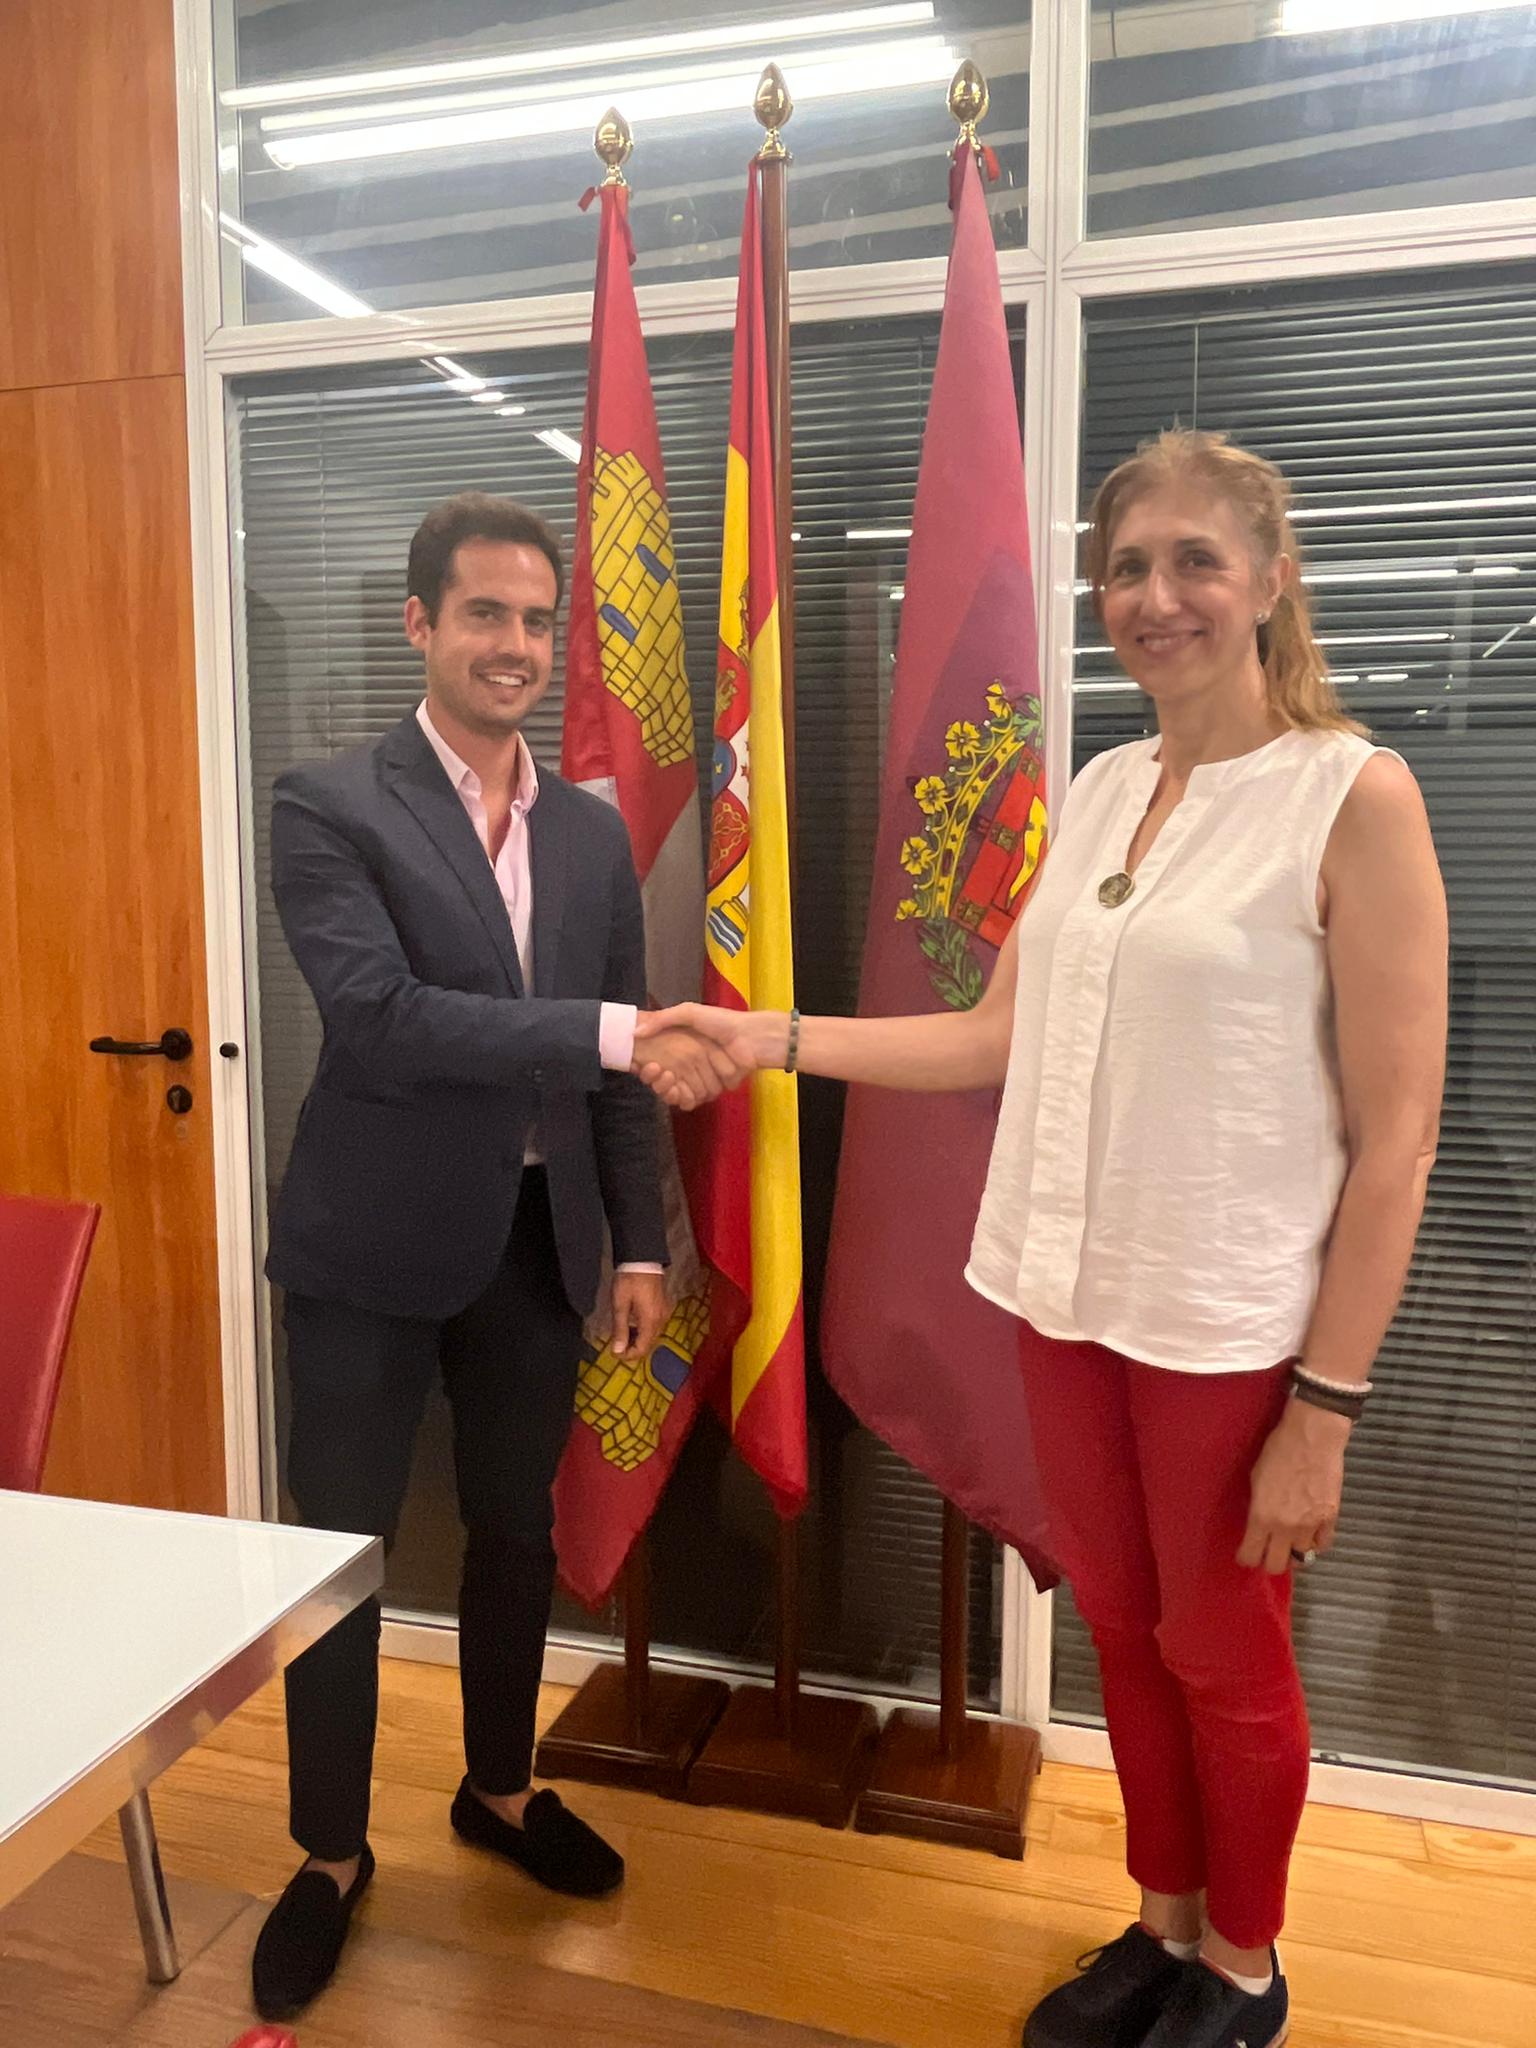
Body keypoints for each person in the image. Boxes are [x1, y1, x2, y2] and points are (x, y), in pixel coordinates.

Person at [633, 432, 1448, 2048]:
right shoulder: (1100, 789)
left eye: (1195, 560)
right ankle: (1163, 1924)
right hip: (1064, 1294)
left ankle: (1244, 1967)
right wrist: (767, 1037)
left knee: (1224, 1653)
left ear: (1271, 580)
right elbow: (993, 1037)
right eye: (1127, 568)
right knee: (1126, 1635)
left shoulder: (1351, 795)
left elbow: (1400, 1138)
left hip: (1222, 1325)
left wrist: (1327, 1409)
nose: (1157, 596)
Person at [254, 493, 733, 2022]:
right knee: (339, 1556)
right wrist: (610, 1033)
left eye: (538, 619)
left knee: (515, 1531)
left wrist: (640, 1242)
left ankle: (501, 1787)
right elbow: (382, 1020)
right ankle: (330, 1851)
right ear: (421, 624)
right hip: (365, 1249)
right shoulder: (329, 804)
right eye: (484, 614)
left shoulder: (587, 831)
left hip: (541, 1244)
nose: (515, 644)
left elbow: (612, 1077)